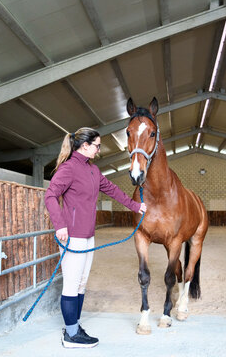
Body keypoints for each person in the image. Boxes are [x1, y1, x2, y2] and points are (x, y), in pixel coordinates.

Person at [44, 127, 146, 349]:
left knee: (81, 284)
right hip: (72, 236)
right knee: (71, 285)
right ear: (85, 145)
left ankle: (74, 327)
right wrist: (60, 224)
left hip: (88, 235)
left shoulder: (92, 170)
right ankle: (70, 335)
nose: (99, 150)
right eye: (97, 146)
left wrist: (136, 206)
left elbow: (112, 189)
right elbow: (50, 195)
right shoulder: (69, 168)